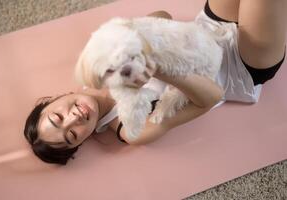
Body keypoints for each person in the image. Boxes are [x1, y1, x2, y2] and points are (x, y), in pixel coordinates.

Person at [24, 0, 286, 165]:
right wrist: (158, 67)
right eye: (71, 136)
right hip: (239, 66)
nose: (73, 119)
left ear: (53, 100)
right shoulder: (132, 130)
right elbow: (212, 96)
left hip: (209, 27)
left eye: (57, 117)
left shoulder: (101, 65)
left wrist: (133, 39)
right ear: (80, 143)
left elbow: (163, 14)